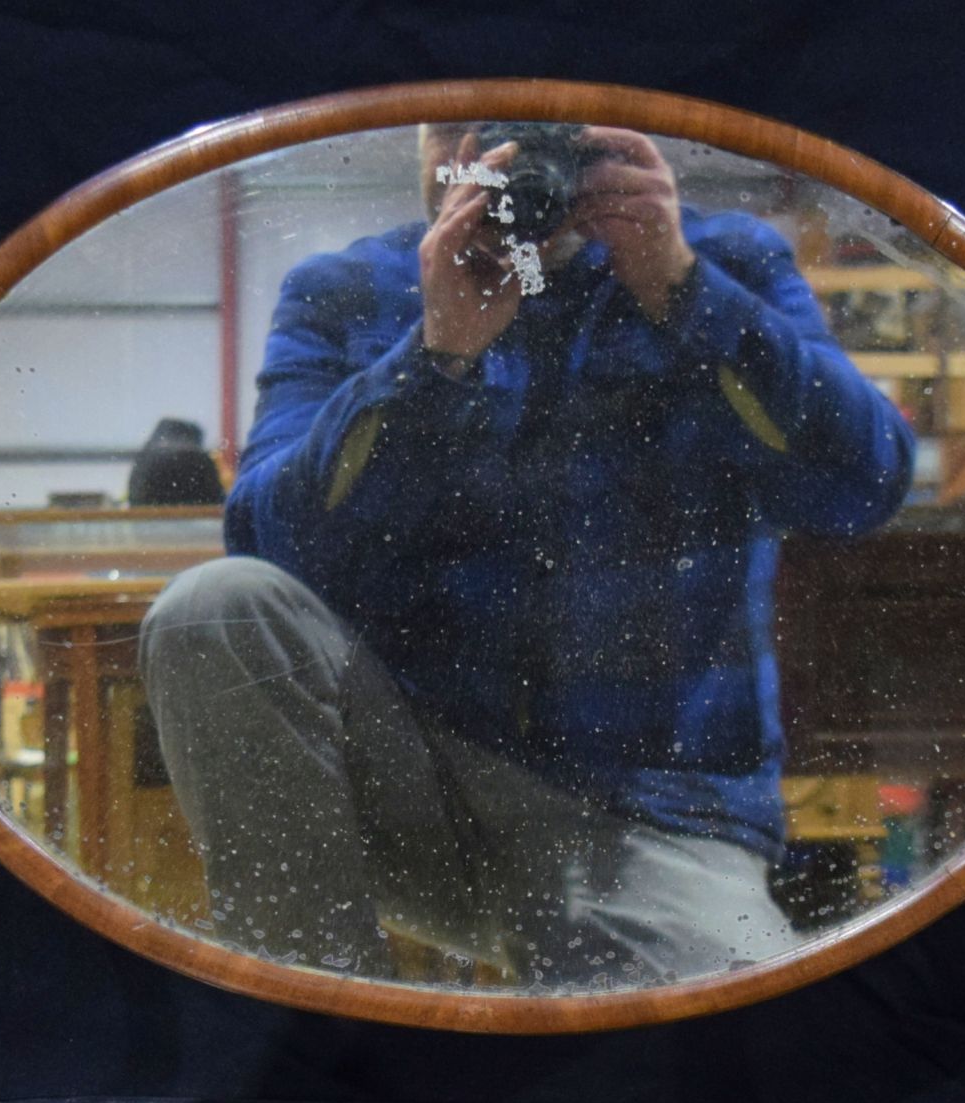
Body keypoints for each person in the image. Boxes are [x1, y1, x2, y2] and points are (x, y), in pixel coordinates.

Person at [140, 124, 913, 983]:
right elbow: (273, 544)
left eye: (529, 131)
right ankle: (319, 1034)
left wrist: (679, 288)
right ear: (421, 144)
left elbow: (861, 489)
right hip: (420, 776)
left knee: (707, 1075)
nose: (495, 158)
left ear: (598, 134)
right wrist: (434, 356)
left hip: (654, 810)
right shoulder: (351, 289)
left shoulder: (720, 259)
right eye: (458, 129)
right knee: (214, 607)